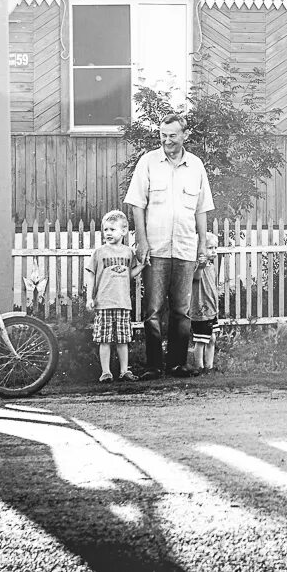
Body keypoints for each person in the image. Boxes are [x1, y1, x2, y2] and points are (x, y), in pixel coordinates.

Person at [125, 114, 215, 380]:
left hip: (186, 249)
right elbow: (136, 204)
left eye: (172, 135)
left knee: (181, 311)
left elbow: (201, 211)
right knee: (152, 310)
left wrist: (202, 246)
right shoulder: (149, 162)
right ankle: (154, 366)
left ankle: (177, 364)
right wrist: (142, 242)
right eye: (163, 135)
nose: (167, 140)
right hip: (157, 249)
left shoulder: (196, 165)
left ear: (184, 135)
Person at [85, 210, 141, 382]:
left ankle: (124, 371)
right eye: (106, 229)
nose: (108, 233)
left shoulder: (128, 253)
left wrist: (144, 265)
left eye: (112, 229)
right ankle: (106, 372)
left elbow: (130, 274)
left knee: (123, 339)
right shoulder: (99, 252)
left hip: (123, 302)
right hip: (104, 302)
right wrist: (90, 297)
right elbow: (91, 275)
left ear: (124, 231)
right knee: (105, 340)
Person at [187, 231, 221, 374]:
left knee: (212, 338)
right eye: (210, 248)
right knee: (201, 340)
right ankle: (199, 367)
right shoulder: (196, 266)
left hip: (211, 307)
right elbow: (196, 278)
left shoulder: (211, 266)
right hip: (200, 308)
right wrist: (200, 265)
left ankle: (210, 366)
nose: (213, 251)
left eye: (215, 248)